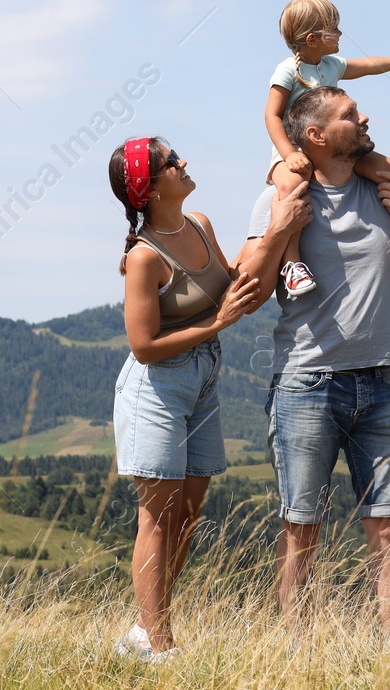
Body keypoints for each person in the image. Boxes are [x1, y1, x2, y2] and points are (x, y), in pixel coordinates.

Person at [238, 86, 390, 634]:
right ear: (316, 136)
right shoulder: (279, 198)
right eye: (351, 115)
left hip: (382, 383)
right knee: (302, 530)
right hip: (307, 384)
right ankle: (297, 655)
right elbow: (250, 292)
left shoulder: (384, 190)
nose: (365, 116)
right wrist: (281, 227)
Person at [106, 136, 270, 663]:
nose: (184, 162)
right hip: (156, 387)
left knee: (188, 513)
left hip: (201, 380)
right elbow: (144, 346)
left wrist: (276, 231)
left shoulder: (199, 223)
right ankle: (158, 644)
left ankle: (143, 630)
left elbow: (225, 286)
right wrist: (217, 323)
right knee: (156, 518)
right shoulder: (143, 258)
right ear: (150, 189)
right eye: (171, 162)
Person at [264, 0, 390, 300]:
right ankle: (292, 264)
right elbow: (272, 115)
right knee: (291, 188)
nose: (342, 34)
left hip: (336, 146)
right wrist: (288, 154)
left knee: (386, 167)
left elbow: (368, 66)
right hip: (291, 147)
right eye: (335, 29)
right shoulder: (288, 71)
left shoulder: (331, 65)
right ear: (314, 39)